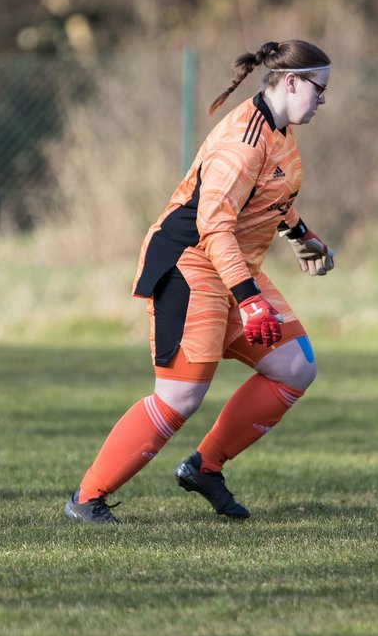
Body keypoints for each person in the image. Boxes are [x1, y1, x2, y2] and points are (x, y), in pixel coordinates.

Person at [65, 39, 336, 525]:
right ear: (291, 82)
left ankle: (204, 468)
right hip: (191, 265)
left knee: (296, 367)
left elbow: (268, 194)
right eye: (319, 90)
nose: (322, 100)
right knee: (180, 397)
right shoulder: (243, 142)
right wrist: (250, 301)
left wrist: (300, 233)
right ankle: (87, 498)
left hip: (235, 269)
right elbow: (214, 226)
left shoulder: (279, 130)